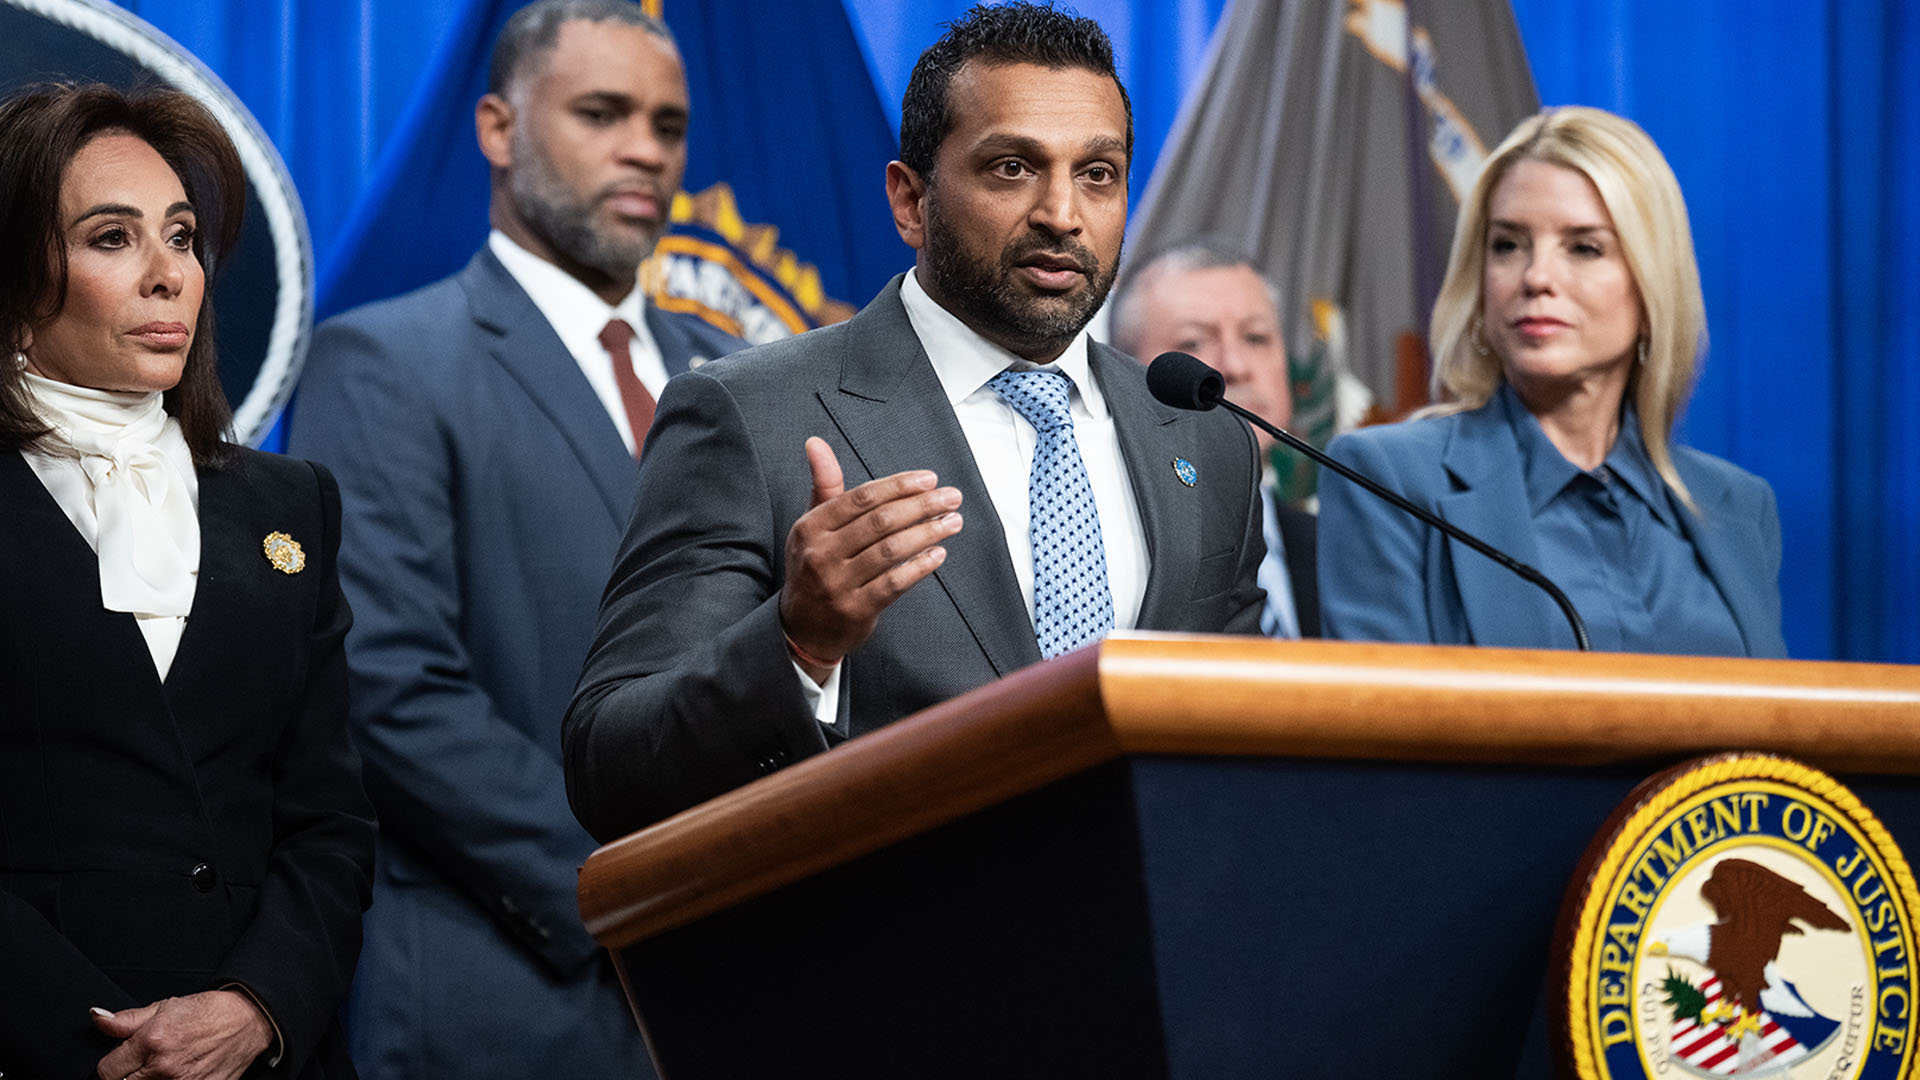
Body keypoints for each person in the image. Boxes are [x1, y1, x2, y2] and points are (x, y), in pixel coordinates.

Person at [564, 1, 1265, 842]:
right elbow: (610, 767)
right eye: (1012, 167)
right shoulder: (750, 416)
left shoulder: (1204, 435)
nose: (1062, 213)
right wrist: (796, 642)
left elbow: (1236, 741)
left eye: (1097, 173)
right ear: (910, 201)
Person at [285, 0, 741, 1075]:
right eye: (602, 113)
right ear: (497, 128)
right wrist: (637, 890)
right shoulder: (383, 363)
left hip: (740, 988)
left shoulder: (739, 376)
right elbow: (389, 686)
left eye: (669, 126)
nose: (645, 150)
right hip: (508, 998)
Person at [0, 82, 374, 1079]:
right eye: (112, 238)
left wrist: (257, 1006)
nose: (169, 274)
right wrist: (100, 1049)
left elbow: (331, 823)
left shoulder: (293, 504)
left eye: (182, 235)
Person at [1317, 106, 1786, 656]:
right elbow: (1385, 707)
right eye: (1507, 245)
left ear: (1652, 285)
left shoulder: (1739, 505)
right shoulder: (1387, 480)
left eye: (1584, 247)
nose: (1536, 277)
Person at [1109, 241, 1318, 638]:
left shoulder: (1337, 547)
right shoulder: (1109, 547)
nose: (1234, 367)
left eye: (1255, 338)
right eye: (1193, 343)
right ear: (1121, 371)